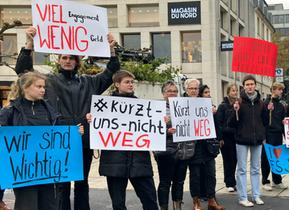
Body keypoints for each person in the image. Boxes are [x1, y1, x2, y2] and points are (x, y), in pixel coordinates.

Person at [16, 26, 120, 210]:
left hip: (83, 139)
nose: (68, 60)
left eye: (72, 57)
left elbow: (112, 73)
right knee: (61, 184)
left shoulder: (89, 81)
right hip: (58, 139)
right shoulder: (47, 81)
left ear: (77, 61)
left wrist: (111, 49)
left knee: (82, 182)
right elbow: (24, 72)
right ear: (59, 60)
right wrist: (29, 45)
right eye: (64, 57)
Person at [0, 72, 82, 210]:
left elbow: (60, 133)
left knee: (49, 205)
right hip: (23, 172)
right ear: (25, 87)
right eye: (38, 86)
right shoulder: (10, 111)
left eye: (43, 87)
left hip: (47, 171)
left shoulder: (50, 110)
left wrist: (75, 132)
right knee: (27, 206)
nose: (43, 90)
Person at [88, 71, 158, 210]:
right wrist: (92, 119)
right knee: (118, 204)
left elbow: (151, 129)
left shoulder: (143, 107)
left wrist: (160, 123)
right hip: (115, 164)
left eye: (132, 82)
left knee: (150, 200)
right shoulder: (103, 107)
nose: (131, 85)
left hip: (139, 162)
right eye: (127, 82)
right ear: (117, 84)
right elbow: (97, 129)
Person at [185, 80, 224, 210]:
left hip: (207, 146)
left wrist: (213, 113)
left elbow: (215, 124)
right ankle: (196, 202)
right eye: (191, 88)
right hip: (193, 147)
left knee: (211, 174)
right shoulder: (181, 104)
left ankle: (211, 199)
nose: (194, 90)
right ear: (186, 90)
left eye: (196, 88)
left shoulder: (206, 104)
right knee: (195, 176)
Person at [229, 75, 267, 207]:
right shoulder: (239, 102)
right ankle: (243, 197)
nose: (250, 86)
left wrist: (270, 111)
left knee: (256, 168)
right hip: (242, 140)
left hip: (257, 140)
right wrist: (235, 111)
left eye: (252, 84)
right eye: (247, 84)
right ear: (243, 87)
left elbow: (265, 121)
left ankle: (256, 195)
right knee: (242, 169)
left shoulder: (261, 103)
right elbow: (231, 123)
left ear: (255, 86)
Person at [153, 80, 185, 210]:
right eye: (169, 91)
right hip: (165, 151)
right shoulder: (156, 108)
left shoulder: (183, 106)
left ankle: (177, 207)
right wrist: (166, 129)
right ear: (163, 93)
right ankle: (164, 207)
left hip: (182, 150)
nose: (172, 93)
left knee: (179, 181)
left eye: (175, 91)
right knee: (165, 182)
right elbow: (150, 129)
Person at [261, 82, 288, 191]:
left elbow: (282, 120)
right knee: (266, 158)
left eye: (282, 90)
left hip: (277, 134)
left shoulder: (281, 105)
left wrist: (286, 134)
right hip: (268, 134)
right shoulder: (265, 103)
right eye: (279, 89)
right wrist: (268, 110)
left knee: (277, 157)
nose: (281, 91)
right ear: (273, 90)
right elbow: (262, 120)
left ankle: (277, 180)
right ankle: (265, 181)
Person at [215, 84, 238, 193]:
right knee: (228, 160)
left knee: (235, 160)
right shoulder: (223, 106)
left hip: (236, 137)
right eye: (233, 90)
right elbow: (219, 123)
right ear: (228, 92)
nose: (235, 92)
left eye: (236, 90)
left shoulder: (238, 104)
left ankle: (233, 181)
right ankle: (229, 182)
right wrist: (220, 138)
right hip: (226, 137)